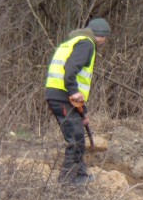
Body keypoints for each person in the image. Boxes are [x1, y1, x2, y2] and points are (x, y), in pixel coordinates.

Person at [45, 18, 111, 185]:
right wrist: (74, 91)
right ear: (100, 35)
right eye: (105, 37)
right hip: (64, 96)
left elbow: (77, 82)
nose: (104, 42)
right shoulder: (87, 44)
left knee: (78, 136)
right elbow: (70, 71)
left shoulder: (74, 41)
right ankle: (67, 181)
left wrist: (84, 113)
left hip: (60, 95)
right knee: (74, 139)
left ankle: (80, 174)